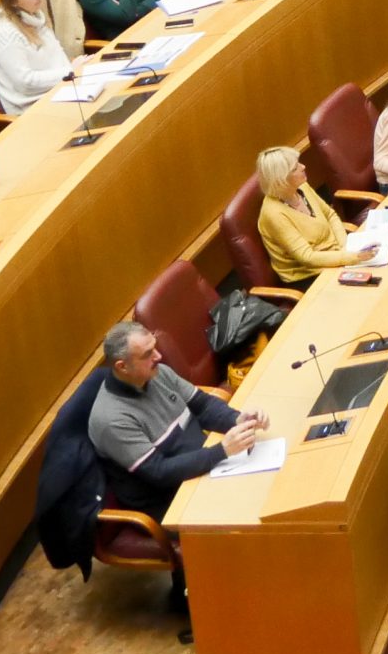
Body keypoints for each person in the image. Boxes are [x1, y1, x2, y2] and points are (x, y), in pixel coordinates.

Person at [92, 318, 265, 520]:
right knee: (252, 513)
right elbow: (159, 472)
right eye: (148, 354)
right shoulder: (112, 420)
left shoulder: (158, 373)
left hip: (203, 469)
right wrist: (222, 451)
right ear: (122, 367)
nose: (159, 356)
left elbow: (204, 406)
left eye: (154, 347)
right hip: (172, 501)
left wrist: (238, 420)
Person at [255, 144, 370, 287]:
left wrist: (345, 246)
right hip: (309, 275)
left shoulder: (301, 187)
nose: (303, 166)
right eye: (295, 168)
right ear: (282, 179)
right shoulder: (273, 214)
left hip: (337, 254)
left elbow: (330, 215)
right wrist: (348, 257)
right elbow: (307, 257)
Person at [0, 0, 72, 114]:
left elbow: (58, 57)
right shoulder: (7, 34)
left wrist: (74, 71)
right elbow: (25, 82)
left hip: (59, 91)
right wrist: (69, 72)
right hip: (32, 107)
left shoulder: (37, 17)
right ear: (14, 2)